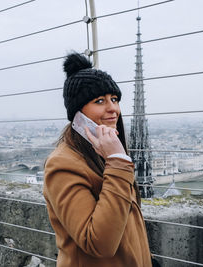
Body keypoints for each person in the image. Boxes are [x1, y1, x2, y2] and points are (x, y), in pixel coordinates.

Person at [43, 52, 153, 267]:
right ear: (78, 113)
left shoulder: (101, 153)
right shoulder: (63, 163)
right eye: (99, 101)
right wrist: (118, 160)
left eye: (114, 99)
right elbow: (98, 243)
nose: (113, 108)